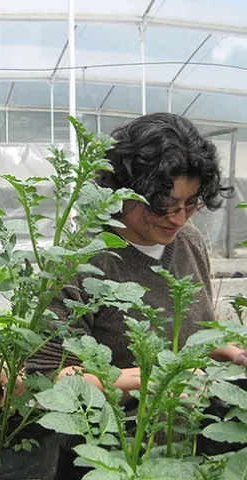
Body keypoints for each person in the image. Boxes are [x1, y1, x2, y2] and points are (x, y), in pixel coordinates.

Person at [27, 113, 247, 479]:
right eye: (163, 204)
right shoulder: (83, 257)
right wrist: (154, 379)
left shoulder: (188, 241)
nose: (178, 218)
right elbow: (51, 377)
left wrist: (230, 350)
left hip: (178, 449)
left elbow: (197, 328)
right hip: (104, 456)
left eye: (190, 203)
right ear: (124, 189)